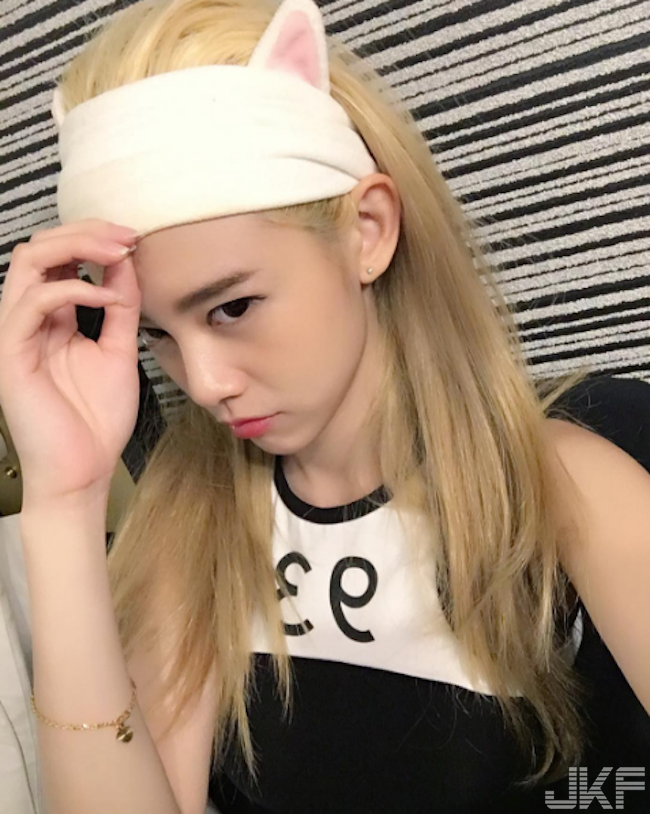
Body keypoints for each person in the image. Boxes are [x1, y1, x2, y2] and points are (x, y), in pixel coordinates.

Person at [0, 0, 648, 812]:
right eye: (157, 335)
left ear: (367, 231)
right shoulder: (193, 520)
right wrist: (63, 502)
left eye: (232, 307)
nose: (203, 383)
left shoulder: (568, 476)